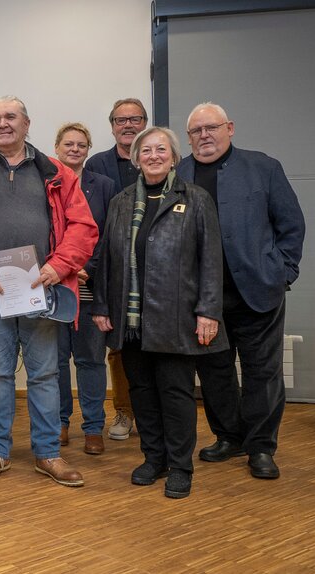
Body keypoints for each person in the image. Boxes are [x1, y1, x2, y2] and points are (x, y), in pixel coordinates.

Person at [0, 96, 97, 488]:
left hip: (39, 287)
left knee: (45, 374)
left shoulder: (55, 172)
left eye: (10, 117)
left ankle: (48, 454)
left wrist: (57, 266)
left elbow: (83, 226)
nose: (2, 124)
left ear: (27, 124)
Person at [91, 126, 226, 499]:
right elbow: (106, 259)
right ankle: (154, 458)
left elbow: (211, 260)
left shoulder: (196, 200)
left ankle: (181, 467)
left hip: (176, 318)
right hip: (130, 320)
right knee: (142, 392)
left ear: (173, 157)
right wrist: (101, 305)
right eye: (145, 150)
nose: (153, 156)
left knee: (176, 394)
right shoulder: (120, 203)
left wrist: (208, 312)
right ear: (135, 159)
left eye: (160, 149)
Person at [179, 103, 305, 479]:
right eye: (196, 131)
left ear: (229, 128)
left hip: (257, 291)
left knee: (262, 373)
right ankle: (229, 437)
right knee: (215, 372)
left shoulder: (264, 167)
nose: (204, 135)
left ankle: (261, 447)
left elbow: (291, 226)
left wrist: (283, 273)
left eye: (211, 127)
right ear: (188, 138)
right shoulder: (178, 174)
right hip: (203, 299)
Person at [84, 98, 149, 442]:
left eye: (135, 119)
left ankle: (152, 413)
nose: (128, 125)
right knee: (118, 344)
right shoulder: (97, 165)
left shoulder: (158, 158)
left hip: (155, 268)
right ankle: (124, 412)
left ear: (145, 123)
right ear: (112, 126)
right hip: (112, 267)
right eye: (121, 120)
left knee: (156, 342)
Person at [53, 123, 118, 455]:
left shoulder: (104, 185)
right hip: (55, 286)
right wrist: (61, 267)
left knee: (91, 360)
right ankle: (60, 423)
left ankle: (93, 428)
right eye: (68, 144)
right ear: (57, 148)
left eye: (81, 144)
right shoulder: (45, 182)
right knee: (58, 361)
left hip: (90, 286)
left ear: (88, 149)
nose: (75, 149)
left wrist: (87, 270)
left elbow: (109, 235)